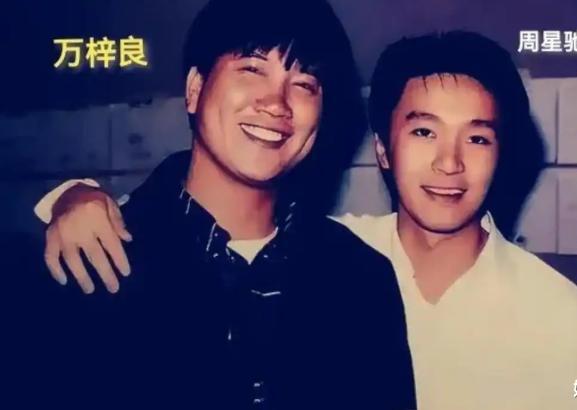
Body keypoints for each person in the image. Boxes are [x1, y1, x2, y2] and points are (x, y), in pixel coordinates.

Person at [34, 31, 577, 410]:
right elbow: (199, 223)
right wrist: (74, 197)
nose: (450, 163)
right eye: (423, 131)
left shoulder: (561, 317)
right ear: (384, 149)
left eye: (478, 138)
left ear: (502, 153)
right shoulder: (332, 259)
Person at [14, 0, 417, 409]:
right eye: (252, 69)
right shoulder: (91, 261)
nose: (277, 104)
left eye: (304, 84)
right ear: (194, 90)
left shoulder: (360, 277)